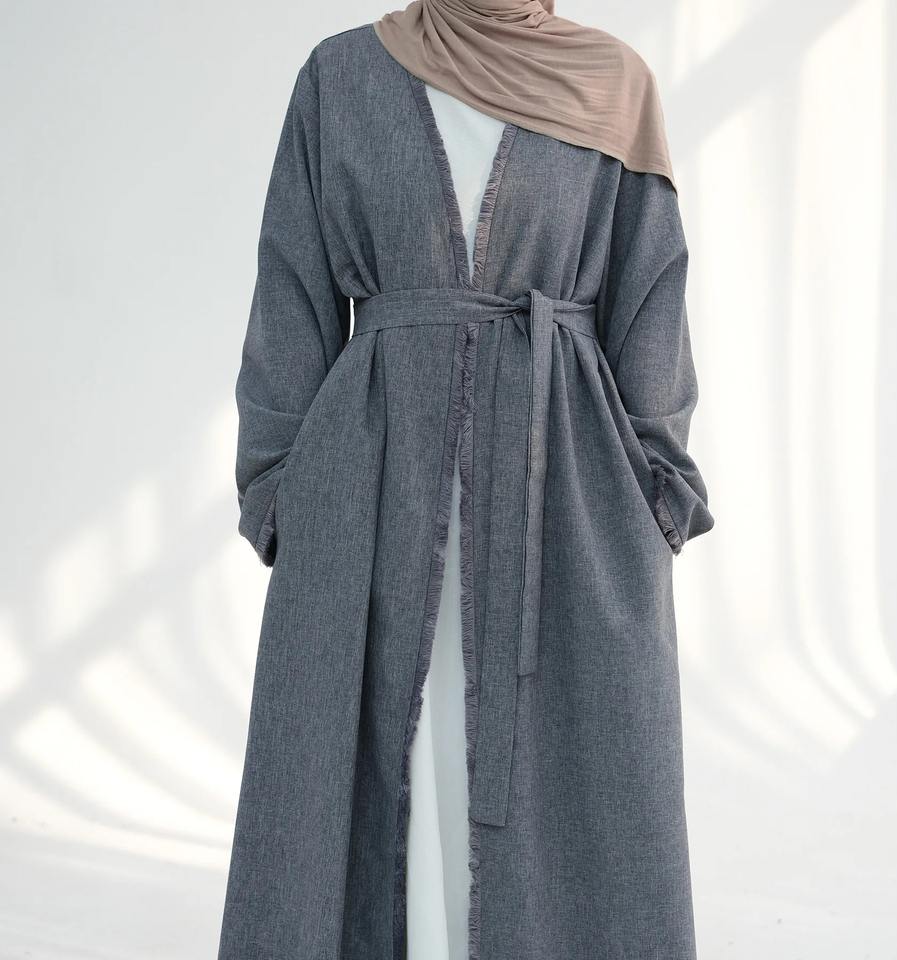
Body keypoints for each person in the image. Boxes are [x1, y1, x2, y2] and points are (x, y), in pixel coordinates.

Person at [218, 4, 715, 958]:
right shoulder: (342, 76)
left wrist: (657, 488)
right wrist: (274, 482)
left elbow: (653, 291)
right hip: (373, 478)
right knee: (382, 749)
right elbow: (290, 283)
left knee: (572, 760)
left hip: (560, 476)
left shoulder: (613, 83)